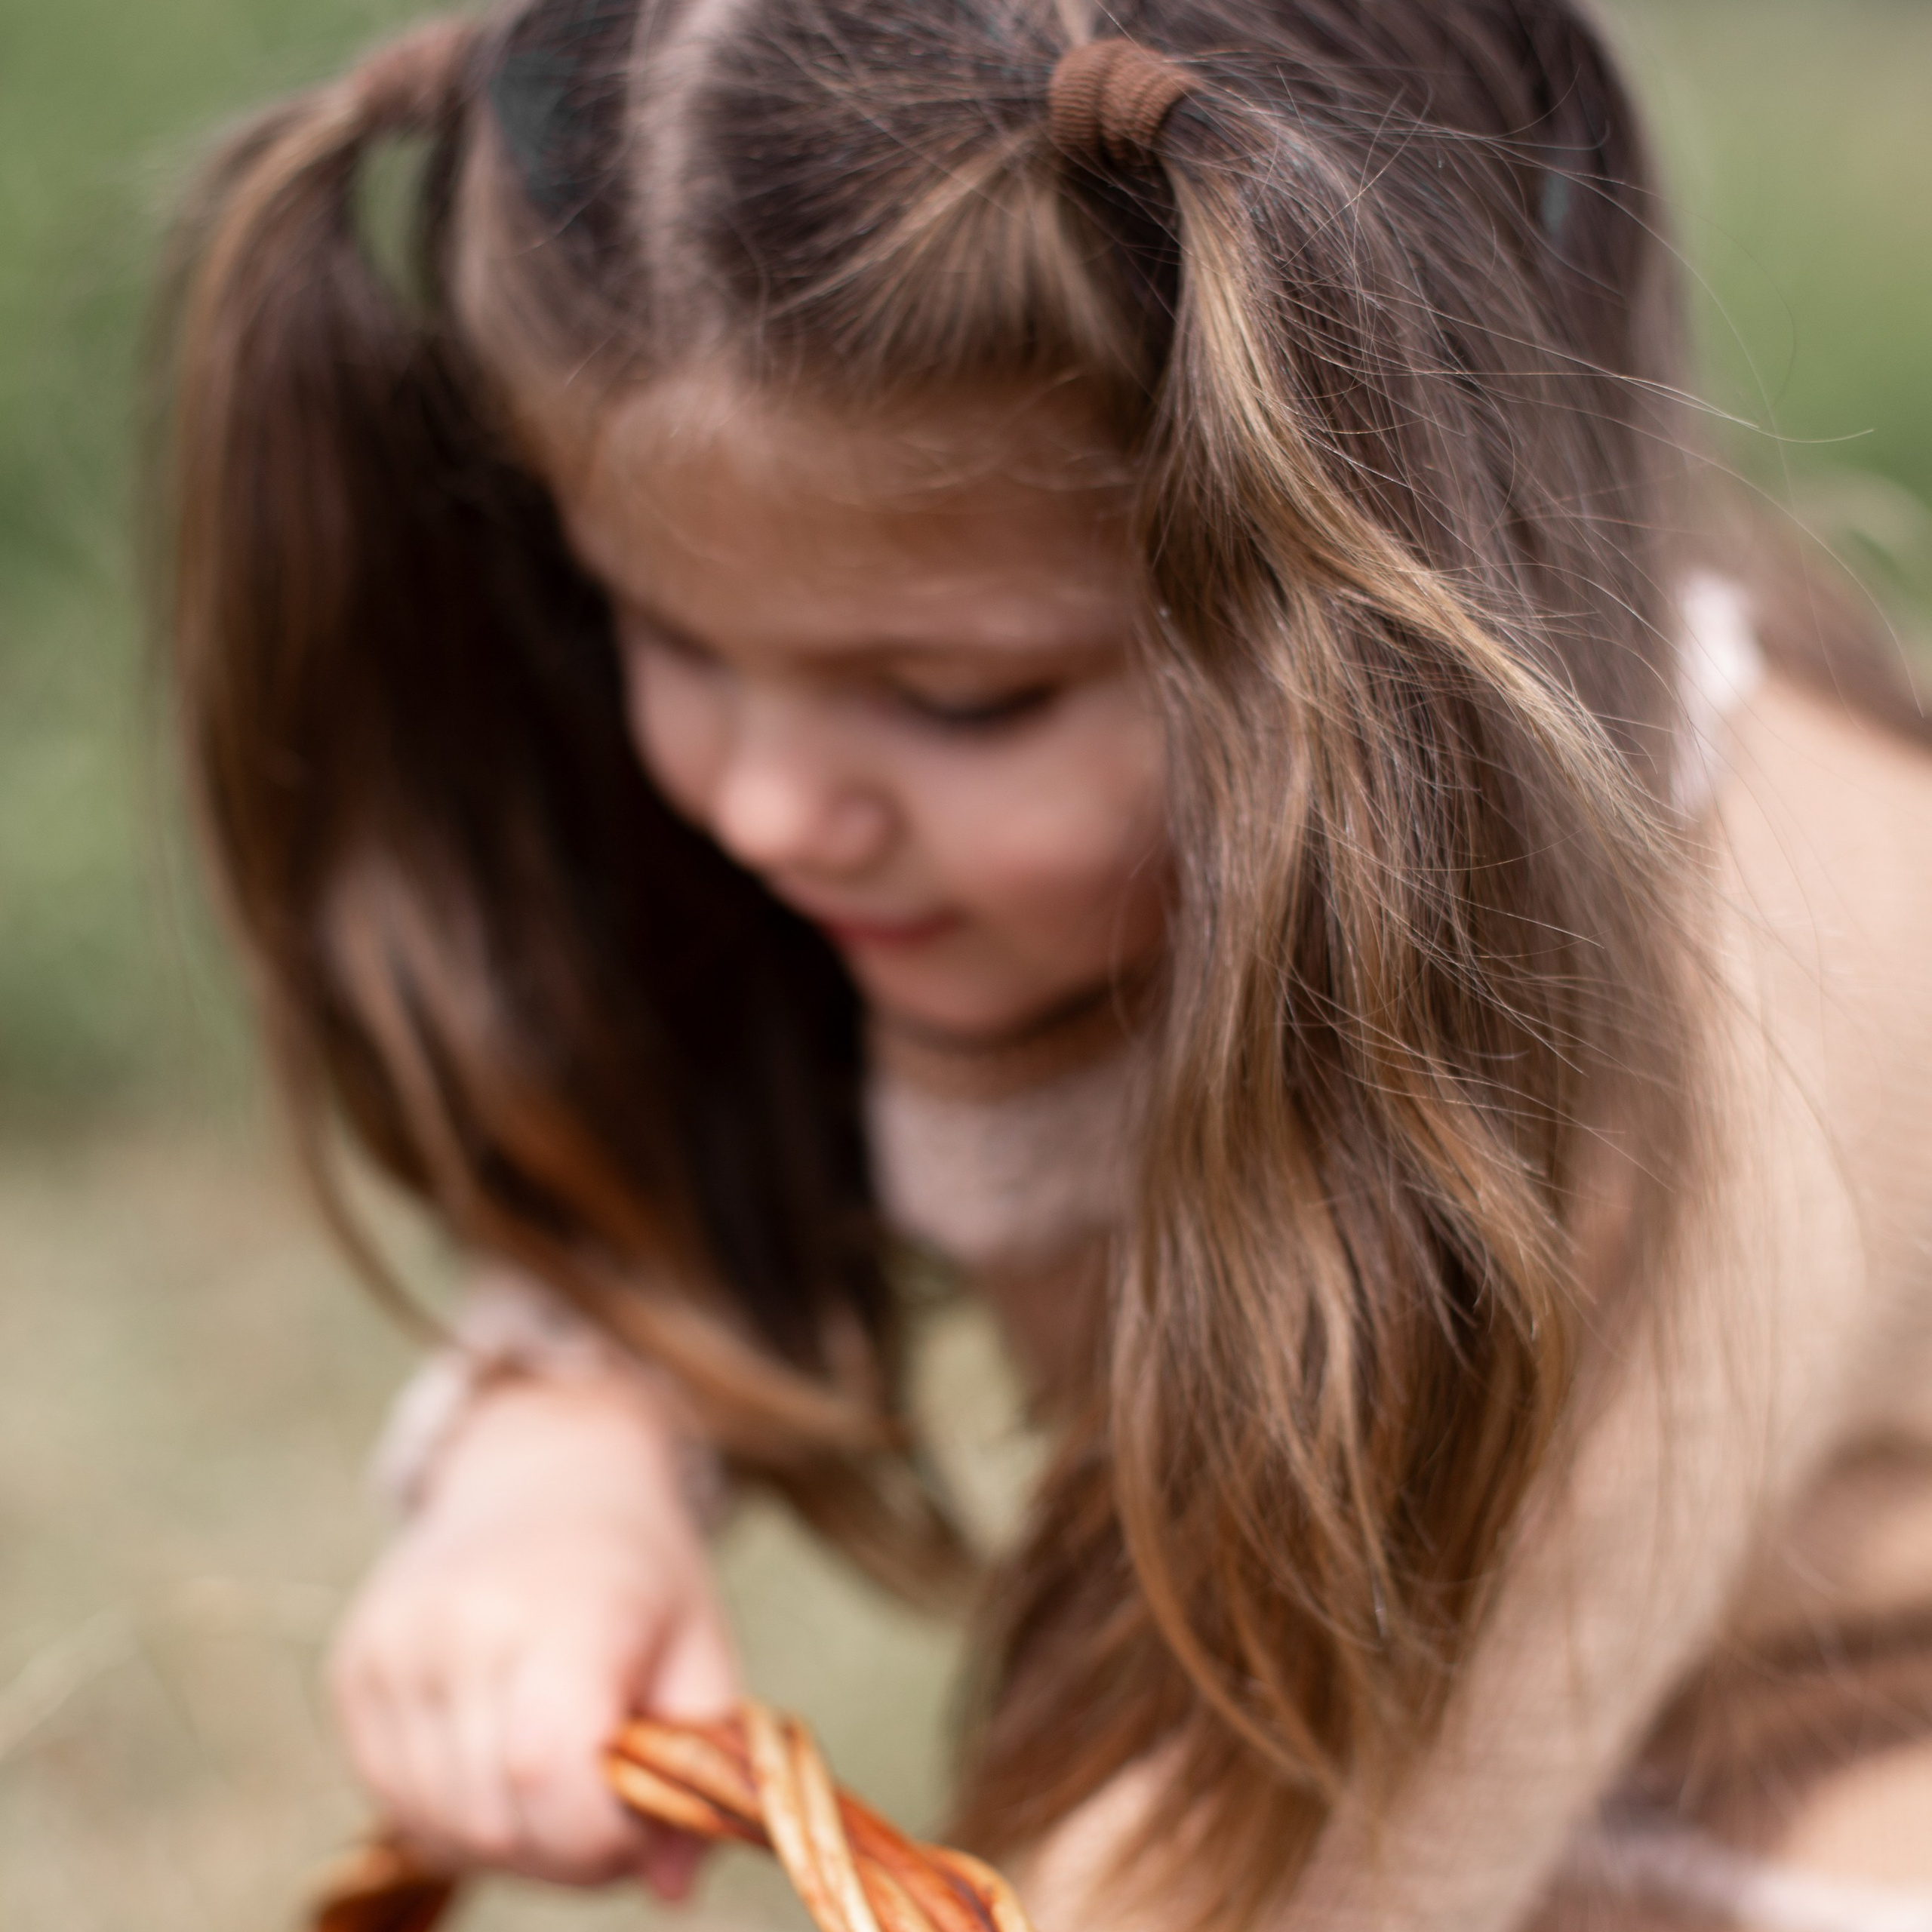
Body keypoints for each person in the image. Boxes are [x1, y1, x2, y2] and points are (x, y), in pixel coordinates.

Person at [153, 1, 1932, 1927]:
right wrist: (565, 1453)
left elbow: (1296, 1865)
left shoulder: (1679, 1066)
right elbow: (725, 1122)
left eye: (962, 697)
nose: (763, 804)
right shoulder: (985, 834)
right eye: (658, 629)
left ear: (1371, 631)